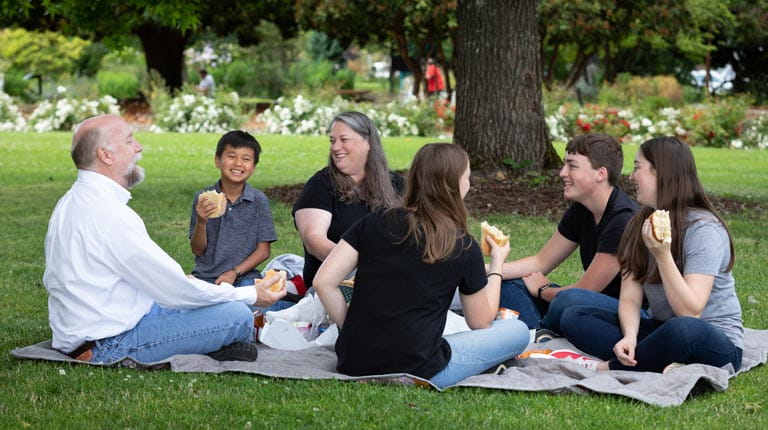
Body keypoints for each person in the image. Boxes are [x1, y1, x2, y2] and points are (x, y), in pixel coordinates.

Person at [43, 114, 286, 364]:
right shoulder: (108, 214)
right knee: (237, 315)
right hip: (109, 343)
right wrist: (251, 295)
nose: (139, 147)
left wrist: (195, 285)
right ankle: (217, 342)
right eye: (129, 141)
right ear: (106, 155)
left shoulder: (73, 200)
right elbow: (177, 291)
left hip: (101, 327)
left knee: (202, 298)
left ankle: (212, 341)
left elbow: (162, 283)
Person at [314, 143, 529, 389]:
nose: (469, 184)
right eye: (467, 177)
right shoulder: (461, 244)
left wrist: (351, 329)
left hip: (353, 361)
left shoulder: (373, 221)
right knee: (517, 330)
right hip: (419, 369)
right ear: (454, 185)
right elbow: (480, 322)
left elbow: (323, 282)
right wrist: (497, 263)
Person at [560, 137, 743, 372]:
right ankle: (655, 359)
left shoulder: (703, 230)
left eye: (638, 167)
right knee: (574, 317)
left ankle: (616, 367)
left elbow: (690, 311)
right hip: (659, 328)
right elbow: (631, 297)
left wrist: (662, 254)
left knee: (683, 329)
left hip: (710, 337)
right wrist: (630, 336)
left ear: (661, 173)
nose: (631, 176)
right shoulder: (640, 222)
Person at [497, 134, 639, 333]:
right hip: (579, 305)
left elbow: (586, 290)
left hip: (622, 314)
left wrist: (543, 290)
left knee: (570, 300)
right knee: (508, 282)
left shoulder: (624, 219)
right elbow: (541, 262)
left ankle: (534, 333)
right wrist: (489, 269)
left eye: (572, 166)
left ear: (601, 174)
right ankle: (537, 336)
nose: (562, 173)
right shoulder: (581, 210)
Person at [293, 111, 404, 289]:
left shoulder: (397, 185)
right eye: (332, 141)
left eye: (344, 140)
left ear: (368, 142)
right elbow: (313, 239)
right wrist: (363, 264)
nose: (335, 147)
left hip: (393, 280)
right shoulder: (321, 185)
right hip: (337, 285)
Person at [189, 130, 276, 287]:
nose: (238, 163)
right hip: (207, 277)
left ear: (253, 167)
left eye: (246, 159)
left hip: (245, 276)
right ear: (218, 160)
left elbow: (263, 251)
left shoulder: (258, 201)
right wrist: (201, 222)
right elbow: (197, 250)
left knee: (253, 304)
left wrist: (234, 272)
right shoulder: (203, 198)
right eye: (231, 156)